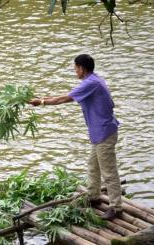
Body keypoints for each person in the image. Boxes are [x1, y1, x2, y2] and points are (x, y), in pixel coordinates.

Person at [29, 54, 122, 220]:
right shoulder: (93, 81)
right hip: (100, 132)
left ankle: (116, 207)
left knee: (109, 172)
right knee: (93, 166)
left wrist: (41, 102)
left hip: (104, 133)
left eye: (75, 68)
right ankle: (94, 196)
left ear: (82, 68)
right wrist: (40, 99)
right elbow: (68, 95)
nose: (75, 71)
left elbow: (64, 98)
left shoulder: (90, 83)